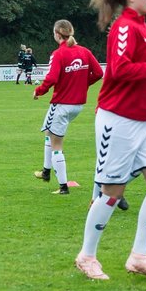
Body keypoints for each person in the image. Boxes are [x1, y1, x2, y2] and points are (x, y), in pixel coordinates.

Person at [75, 0, 146, 281]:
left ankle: (139, 257)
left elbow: (138, 70)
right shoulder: (123, 27)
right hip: (118, 120)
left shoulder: (144, 28)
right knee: (111, 191)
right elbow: (119, 71)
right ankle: (87, 256)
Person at [33, 20, 103, 195]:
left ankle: (63, 187)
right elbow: (99, 73)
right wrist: (83, 84)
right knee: (49, 133)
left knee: (56, 144)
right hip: (77, 105)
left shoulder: (58, 54)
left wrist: (38, 91)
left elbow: (51, 78)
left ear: (57, 34)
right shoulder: (84, 51)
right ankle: (46, 172)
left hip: (62, 104)